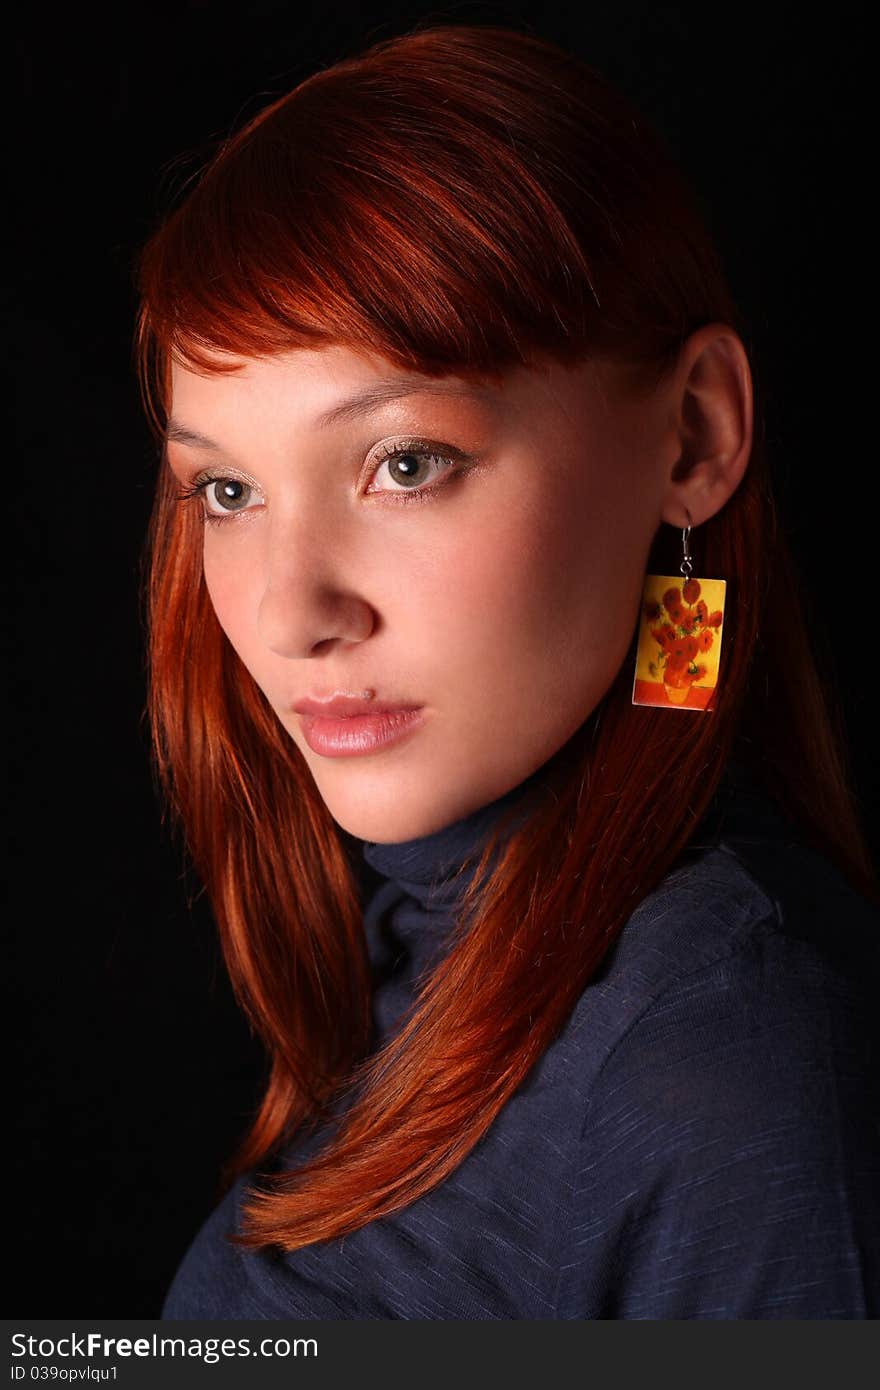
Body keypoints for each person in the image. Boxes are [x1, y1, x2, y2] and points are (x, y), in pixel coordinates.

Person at [135, 22, 879, 1319]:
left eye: (405, 462)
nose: (292, 609)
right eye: (230, 488)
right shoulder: (425, 937)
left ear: (694, 436)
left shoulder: (725, 1060)